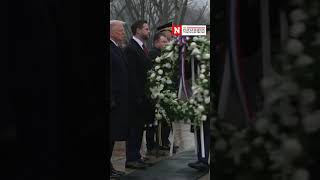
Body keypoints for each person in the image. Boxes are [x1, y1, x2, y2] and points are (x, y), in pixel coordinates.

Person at [124, 20, 153, 169]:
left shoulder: (141, 48)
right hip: (135, 97)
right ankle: (131, 158)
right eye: (146, 29)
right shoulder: (131, 48)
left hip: (142, 96)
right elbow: (132, 76)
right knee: (134, 128)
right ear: (138, 30)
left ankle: (136, 156)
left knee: (139, 127)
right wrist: (138, 97)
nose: (149, 31)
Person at [109, 20, 128, 178]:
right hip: (112, 100)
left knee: (113, 135)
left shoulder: (117, 47)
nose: (123, 33)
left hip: (119, 99)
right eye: (120, 30)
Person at [145, 32, 169, 157]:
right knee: (152, 121)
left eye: (167, 41)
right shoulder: (153, 54)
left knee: (160, 121)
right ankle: (151, 145)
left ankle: (161, 142)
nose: (166, 44)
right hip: (153, 94)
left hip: (162, 91)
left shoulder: (163, 54)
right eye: (164, 42)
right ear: (156, 42)